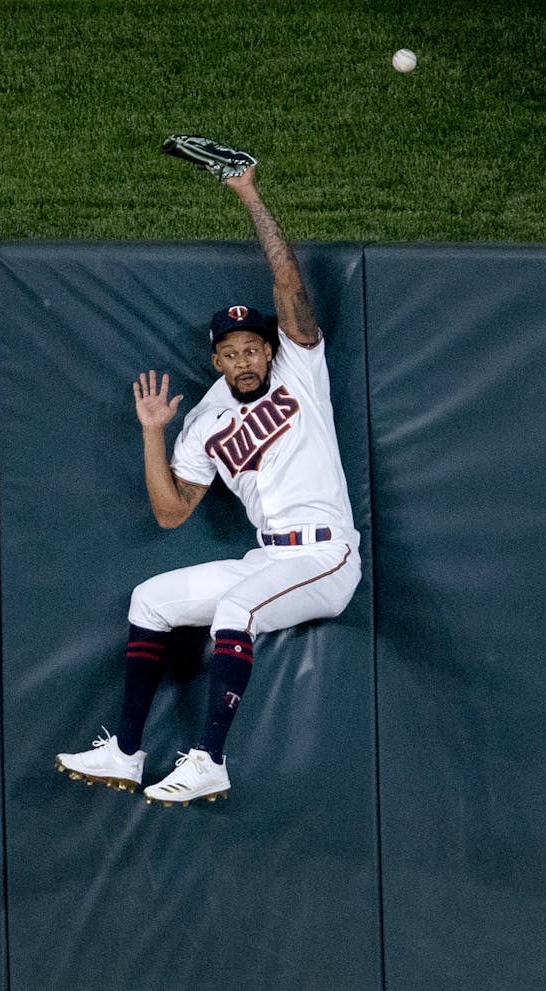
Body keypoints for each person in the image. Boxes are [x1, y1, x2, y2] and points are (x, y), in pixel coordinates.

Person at [55, 163, 362, 806]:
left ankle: (212, 761)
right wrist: (152, 433)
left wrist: (249, 194)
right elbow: (171, 515)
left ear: (270, 350)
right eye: (233, 351)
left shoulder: (299, 370)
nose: (246, 357)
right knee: (151, 599)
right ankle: (126, 753)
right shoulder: (204, 421)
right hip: (272, 555)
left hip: (327, 556)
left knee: (233, 611)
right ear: (216, 360)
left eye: (255, 346)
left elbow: (287, 283)